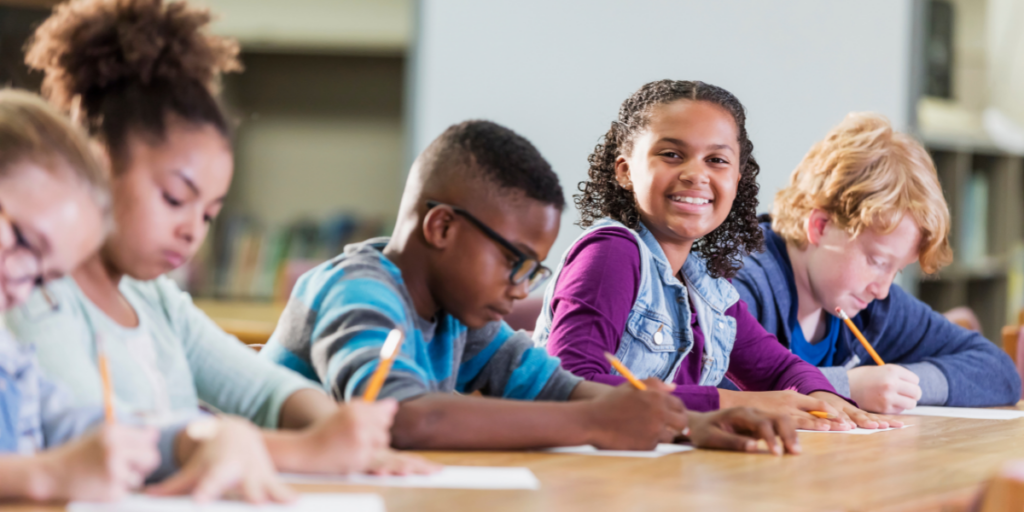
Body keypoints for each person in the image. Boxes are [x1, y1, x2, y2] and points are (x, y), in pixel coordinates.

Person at [9, 0, 432, 476]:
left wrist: (339, 429)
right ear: (97, 163)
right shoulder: (30, 289)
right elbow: (96, 440)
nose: (192, 230)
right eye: (174, 198)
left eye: (209, 214)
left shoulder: (152, 299)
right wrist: (304, 451)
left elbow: (263, 390)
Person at [262, 119, 801, 455]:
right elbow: (403, 417)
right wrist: (594, 423)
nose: (520, 291)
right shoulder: (358, 291)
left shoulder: (460, 316)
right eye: (514, 263)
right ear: (442, 228)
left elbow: (555, 386)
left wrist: (691, 423)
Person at [534, 80, 894, 431]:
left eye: (717, 160)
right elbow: (572, 386)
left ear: (736, 180)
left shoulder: (703, 284)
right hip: (590, 476)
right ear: (625, 171)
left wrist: (824, 401)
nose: (696, 174)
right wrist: (738, 402)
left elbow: (780, 369)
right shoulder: (612, 253)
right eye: (671, 154)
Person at [733, 113, 1020, 413]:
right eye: (878, 261)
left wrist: (905, 384)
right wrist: (845, 387)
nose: (882, 289)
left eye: (896, 270)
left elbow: (1000, 372)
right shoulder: (739, 282)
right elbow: (707, 389)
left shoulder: (872, 306)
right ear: (819, 226)